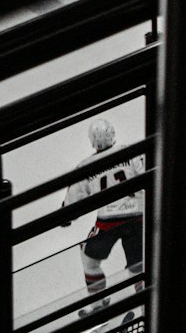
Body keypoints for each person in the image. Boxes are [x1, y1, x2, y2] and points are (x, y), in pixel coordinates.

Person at [62, 119, 144, 317]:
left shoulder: (86, 166)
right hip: (138, 217)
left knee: (88, 256)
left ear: (92, 141)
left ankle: (99, 305)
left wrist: (66, 216)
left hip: (108, 221)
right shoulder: (132, 152)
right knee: (138, 265)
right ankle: (146, 307)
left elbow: (71, 206)